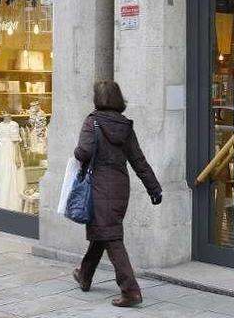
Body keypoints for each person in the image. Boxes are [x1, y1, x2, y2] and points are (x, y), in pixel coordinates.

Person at [71, 80, 162, 307]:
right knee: (104, 231)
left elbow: (84, 152)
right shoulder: (125, 126)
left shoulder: (92, 122)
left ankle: (130, 290)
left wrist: (75, 152)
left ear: (97, 99)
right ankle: (84, 274)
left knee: (111, 237)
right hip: (120, 186)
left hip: (99, 186)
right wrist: (154, 188)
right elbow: (138, 160)